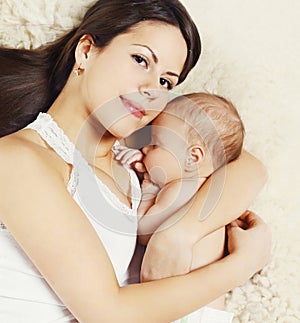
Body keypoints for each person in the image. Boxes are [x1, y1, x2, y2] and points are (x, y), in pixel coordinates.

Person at [0, 1, 271, 322]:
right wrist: (241, 266)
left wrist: (179, 233)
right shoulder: (19, 159)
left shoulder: (137, 157)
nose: (151, 91)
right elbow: (108, 313)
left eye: (165, 82)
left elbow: (249, 165)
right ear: (86, 51)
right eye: (141, 60)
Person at [115, 92, 245, 240]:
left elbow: (143, 234)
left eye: (155, 144)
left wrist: (148, 187)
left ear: (192, 158)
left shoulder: (182, 192)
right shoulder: (195, 186)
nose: (145, 149)